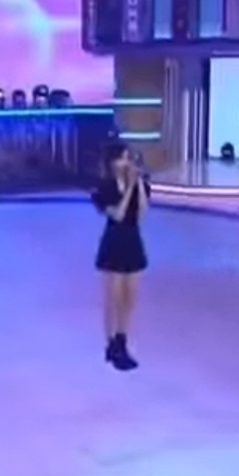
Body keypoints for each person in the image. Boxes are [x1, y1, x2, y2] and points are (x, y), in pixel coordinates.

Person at [92, 143, 150, 371]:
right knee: (113, 298)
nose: (127, 163)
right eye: (123, 158)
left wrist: (139, 185)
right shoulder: (104, 186)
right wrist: (128, 190)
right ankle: (111, 344)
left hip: (133, 240)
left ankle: (122, 340)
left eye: (129, 158)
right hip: (114, 240)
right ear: (113, 162)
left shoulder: (136, 184)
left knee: (130, 298)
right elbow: (117, 214)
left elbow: (142, 212)